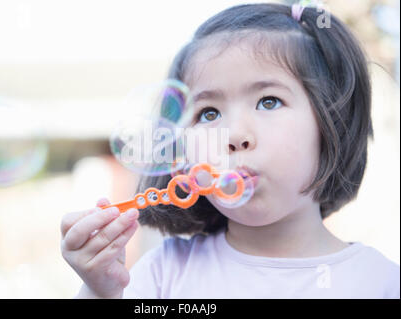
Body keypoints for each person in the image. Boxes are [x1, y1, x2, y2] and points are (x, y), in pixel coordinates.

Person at [60, 2, 400, 298]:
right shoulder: (163, 275)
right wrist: (99, 292)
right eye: (209, 113)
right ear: (182, 159)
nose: (234, 135)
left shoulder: (380, 284)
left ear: (331, 126)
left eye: (269, 101)